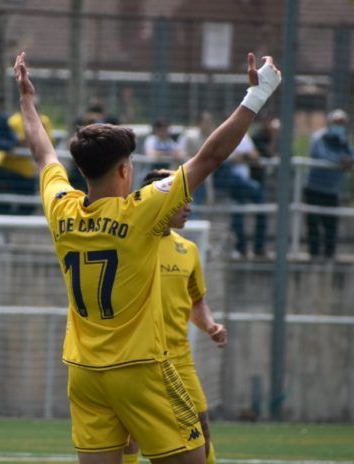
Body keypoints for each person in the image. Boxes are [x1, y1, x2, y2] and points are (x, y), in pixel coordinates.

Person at [14, 50, 280, 464]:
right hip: (140, 368)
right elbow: (209, 157)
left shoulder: (61, 206)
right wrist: (257, 94)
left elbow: (43, 154)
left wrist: (27, 102)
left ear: (82, 171)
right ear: (124, 170)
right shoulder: (140, 211)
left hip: (83, 372)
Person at [123, 169, 227, 464]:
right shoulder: (130, 243)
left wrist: (210, 325)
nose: (189, 206)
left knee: (201, 428)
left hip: (178, 358)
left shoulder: (189, 250)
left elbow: (196, 301)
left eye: (190, 200)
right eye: (183, 199)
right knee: (129, 436)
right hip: (137, 356)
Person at [304, 109, 354, 260]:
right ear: (330, 123)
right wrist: (341, 161)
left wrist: (349, 162)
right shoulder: (318, 138)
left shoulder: (343, 141)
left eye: (342, 123)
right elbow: (320, 155)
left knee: (331, 226)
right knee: (313, 226)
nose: (339, 126)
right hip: (314, 189)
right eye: (336, 123)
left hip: (332, 192)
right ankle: (314, 256)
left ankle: (329, 256)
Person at [0, 99, 55, 215]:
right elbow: (18, 141)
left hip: (26, 172)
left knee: (28, 206)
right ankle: (3, 229)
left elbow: (49, 142)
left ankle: (10, 226)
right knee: (3, 205)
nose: (33, 110)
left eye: (35, 107)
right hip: (7, 168)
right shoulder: (14, 121)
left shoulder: (44, 121)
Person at [213, 134, 268, 259]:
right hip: (231, 183)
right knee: (238, 214)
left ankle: (258, 248)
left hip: (245, 183)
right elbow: (226, 158)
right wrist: (244, 156)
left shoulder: (245, 137)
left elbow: (255, 156)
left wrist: (244, 156)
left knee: (261, 208)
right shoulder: (225, 135)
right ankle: (241, 248)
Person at [250, 115, 280, 186]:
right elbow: (269, 152)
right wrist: (274, 136)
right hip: (257, 173)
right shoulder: (258, 136)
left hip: (273, 174)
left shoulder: (278, 137)